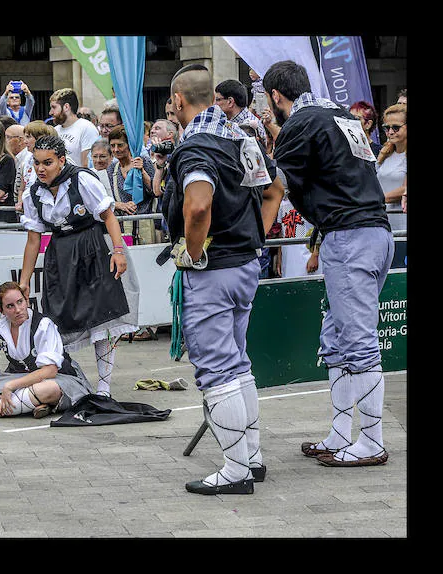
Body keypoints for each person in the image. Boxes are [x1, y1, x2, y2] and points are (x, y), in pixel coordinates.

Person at [264, 59, 394, 467]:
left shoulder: (299, 124)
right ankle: (340, 433)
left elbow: (274, 188)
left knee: (356, 342)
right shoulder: (341, 115)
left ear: (276, 96)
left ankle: (371, 440)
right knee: (337, 339)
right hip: (372, 232)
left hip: (350, 236)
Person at [162, 64, 279, 495]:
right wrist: (256, 235)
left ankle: (236, 470)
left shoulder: (195, 146)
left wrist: (193, 255)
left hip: (214, 268)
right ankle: (251, 457)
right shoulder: (241, 136)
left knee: (217, 370)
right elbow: (275, 188)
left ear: (178, 101)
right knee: (238, 363)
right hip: (246, 261)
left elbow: (196, 206)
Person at [18, 135, 139, 398]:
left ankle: (104, 388)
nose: (41, 169)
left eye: (47, 163)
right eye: (37, 163)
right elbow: (32, 240)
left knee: (101, 318)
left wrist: (118, 252)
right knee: (58, 318)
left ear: (61, 160)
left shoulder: (81, 180)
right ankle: (72, 383)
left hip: (92, 249)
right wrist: (25, 281)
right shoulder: (33, 193)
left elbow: (108, 216)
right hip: (59, 255)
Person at [0, 281, 95, 418]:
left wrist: (10, 386)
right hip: (22, 378)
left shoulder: (43, 325)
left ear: (26, 300)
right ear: (1, 310)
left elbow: (50, 370)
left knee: (47, 389)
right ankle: (32, 403)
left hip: (61, 378)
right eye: (10, 306)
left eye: (20, 302)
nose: (18, 309)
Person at [375, 103, 407, 231]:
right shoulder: (384, 155)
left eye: (396, 127)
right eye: (386, 128)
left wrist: (377, 199)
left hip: (403, 223)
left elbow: (404, 188)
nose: (390, 132)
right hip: (384, 222)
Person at [50, 88, 100, 167]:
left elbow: (87, 165)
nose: (51, 112)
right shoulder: (55, 130)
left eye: (54, 107)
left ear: (66, 107)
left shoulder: (87, 128)